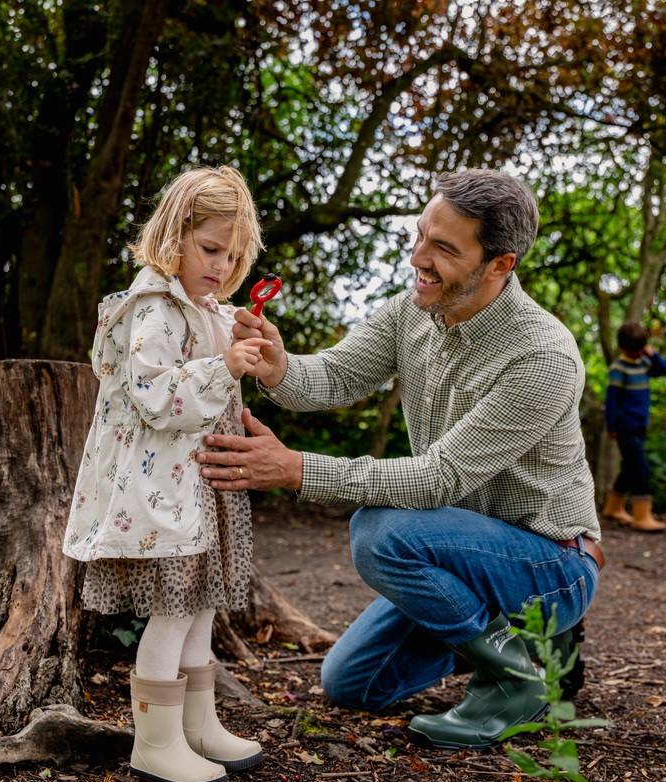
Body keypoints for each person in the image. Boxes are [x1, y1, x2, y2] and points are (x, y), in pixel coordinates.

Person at [196, 168, 605, 750]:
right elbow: (335, 375)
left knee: (381, 531)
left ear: (500, 265)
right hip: (458, 556)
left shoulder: (541, 356)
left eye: (443, 248)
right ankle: (531, 650)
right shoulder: (412, 310)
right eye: (420, 236)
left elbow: (439, 478)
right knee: (352, 683)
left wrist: (296, 470)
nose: (419, 257)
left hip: (548, 564)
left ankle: (516, 678)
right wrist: (279, 367)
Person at [63, 166, 270, 782]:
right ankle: (155, 743)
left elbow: (211, 372)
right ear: (174, 235)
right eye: (210, 249)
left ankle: (197, 727)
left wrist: (239, 347)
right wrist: (223, 370)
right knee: (173, 612)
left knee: (202, 607)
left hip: (198, 488)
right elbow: (157, 398)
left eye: (234, 256)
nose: (221, 266)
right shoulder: (154, 309)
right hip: (163, 494)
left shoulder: (203, 308)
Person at [601, 321, 666, 532]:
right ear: (623, 348)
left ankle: (613, 508)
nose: (636, 354)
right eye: (633, 351)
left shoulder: (644, 363)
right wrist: (612, 426)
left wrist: (651, 354)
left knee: (630, 468)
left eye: (640, 350)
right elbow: (611, 401)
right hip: (625, 427)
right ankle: (642, 516)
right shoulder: (618, 368)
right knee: (640, 469)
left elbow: (665, 370)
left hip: (640, 426)